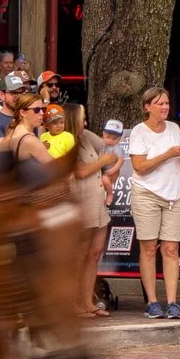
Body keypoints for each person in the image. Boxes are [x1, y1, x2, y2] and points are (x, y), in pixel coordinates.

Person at [127, 88, 180, 320]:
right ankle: (152, 302)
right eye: (159, 103)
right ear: (147, 107)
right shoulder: (139, 131)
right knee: (148, 247)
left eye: (166, 103)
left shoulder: (174, 128)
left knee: (171, 248)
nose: (165, 107)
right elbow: (140, 167)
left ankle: (173, 301)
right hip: (147, 193)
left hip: (173, 194)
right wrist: (168, 153)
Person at [71, 111, 116, 317]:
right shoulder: (64, 140)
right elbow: (80, 171)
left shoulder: (86, 136)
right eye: (81, 119)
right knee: (79, 256)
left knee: (94, 254)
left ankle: (88, 301)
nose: (86, 122)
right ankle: (74, 303)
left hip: (98, 202)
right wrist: (102, 161)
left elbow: (107, 146)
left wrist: (110, 165)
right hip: (81, 202)